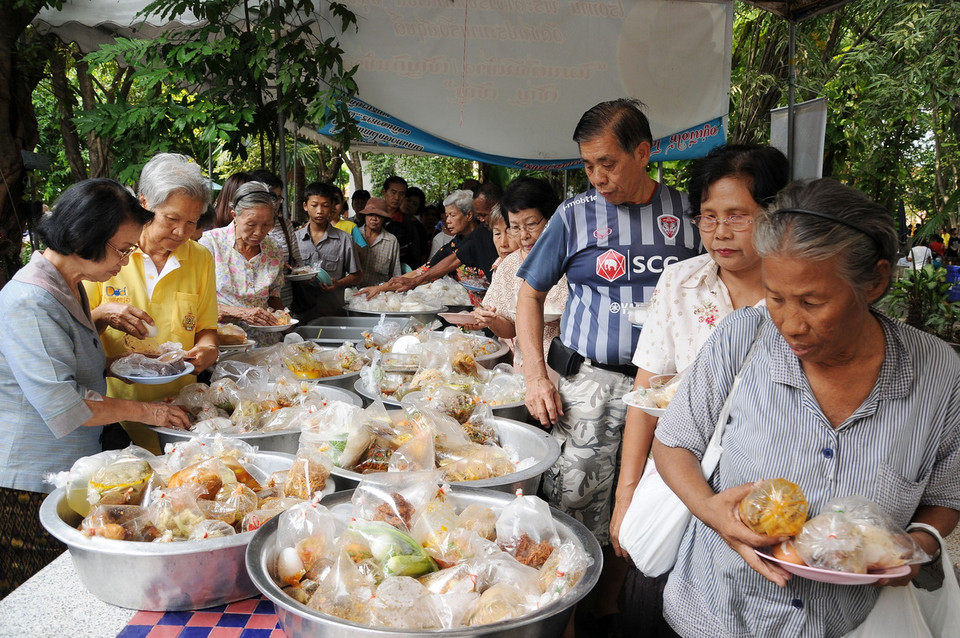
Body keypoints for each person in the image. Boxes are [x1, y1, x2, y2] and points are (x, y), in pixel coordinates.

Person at [653, 177, 960, 637]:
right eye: (775, 297)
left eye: (812, 302)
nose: (790, 324)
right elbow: (674, 443)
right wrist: (712, 510)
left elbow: (945, 496)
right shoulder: (743, 337)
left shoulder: (937, 373)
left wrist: (912, 549)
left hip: (853, 622)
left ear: (875, 281)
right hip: (720, 614)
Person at [515, 99, 700, 628]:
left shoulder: (688, 217)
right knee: (571, 499)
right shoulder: (575, 215)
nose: (597, 177)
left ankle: (608, 608)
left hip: (668, 392)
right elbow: (530, 293)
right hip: (590, 385)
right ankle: (561, 613)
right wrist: (535, 376)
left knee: (645, 499)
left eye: (608, 163)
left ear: (642, 152)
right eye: (588, 165)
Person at [610, 144, 790, 637]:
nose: (719, 232)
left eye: (737, 216)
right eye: (707, 217)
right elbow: (647, 395)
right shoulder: (680, 282)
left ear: (775, 215)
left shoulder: (798, 294)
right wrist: (626, 495)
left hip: (762, 491)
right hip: (675, 480)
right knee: (650, 601)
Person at [0, 179, 190, 596]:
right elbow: (66, 405)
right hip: (26, 479)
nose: (125, 262)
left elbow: (69, 366)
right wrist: (148, 412)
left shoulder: (70, 287)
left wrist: (124, 364)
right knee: (36, 590)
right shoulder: (31, 300)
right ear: (86, 237)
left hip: (68, 464)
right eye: (122, 250)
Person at [85, 153, 219, 451]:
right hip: (114, 408)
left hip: (178, 409)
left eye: (191, 223)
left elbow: (207, 327)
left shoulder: (200, 258)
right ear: (144, 203)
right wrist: (104, 314)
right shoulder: (108, 252)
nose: (181, 232)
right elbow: (79, 337)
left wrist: (208, 350)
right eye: (171, 219)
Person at [472, 177, 565, 374]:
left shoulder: (573, 261)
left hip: (568, 367)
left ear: (551, 219)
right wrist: (492, 320)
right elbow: (509, 329)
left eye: (531, 224)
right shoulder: (509, 266)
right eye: (515, 227)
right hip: (527, 368)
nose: (523, 235)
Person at [198, 182, 285, 334]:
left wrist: (283, 319)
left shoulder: (274, 250)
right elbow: (197, 302)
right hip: (222, 340)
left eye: (266, 224)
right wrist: (241, 313)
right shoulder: (210, 244)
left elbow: (274, 295)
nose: (259, 232)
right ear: (235, 216)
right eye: (251, 224)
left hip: (265, 340)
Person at [293, 181, 362, 320]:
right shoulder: (294, 239)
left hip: (333, 312)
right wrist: (298, 278)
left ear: (331, 207)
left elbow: (358, 275)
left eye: (325, 205)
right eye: (314, 205)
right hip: (301, 313)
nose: (320, 211)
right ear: (305, 206)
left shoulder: (345, 239)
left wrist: (338, 283)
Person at [248, 169, 304, 310]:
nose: (276, 203)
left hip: (283, 302)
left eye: (279, 198)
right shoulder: (220, 238)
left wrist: (297, 271)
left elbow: (297, 261)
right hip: (252, 306)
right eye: (272, 197)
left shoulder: (285, 225)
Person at [357, 197, 401, 287]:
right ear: (365, 216)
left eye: (379, 215)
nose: (374, 218)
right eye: (370, 214)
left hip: (379, 295)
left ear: (384, 218)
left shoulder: (391, 241)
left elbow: (396, 274)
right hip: (351, 292)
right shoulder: (354, 235)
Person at [381, 176, 424, 269]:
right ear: (384, 192)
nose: (397, 197)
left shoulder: (409, 225)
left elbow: (414, 257)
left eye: (401, 194)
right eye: (393, 192)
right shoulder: (371, 217)